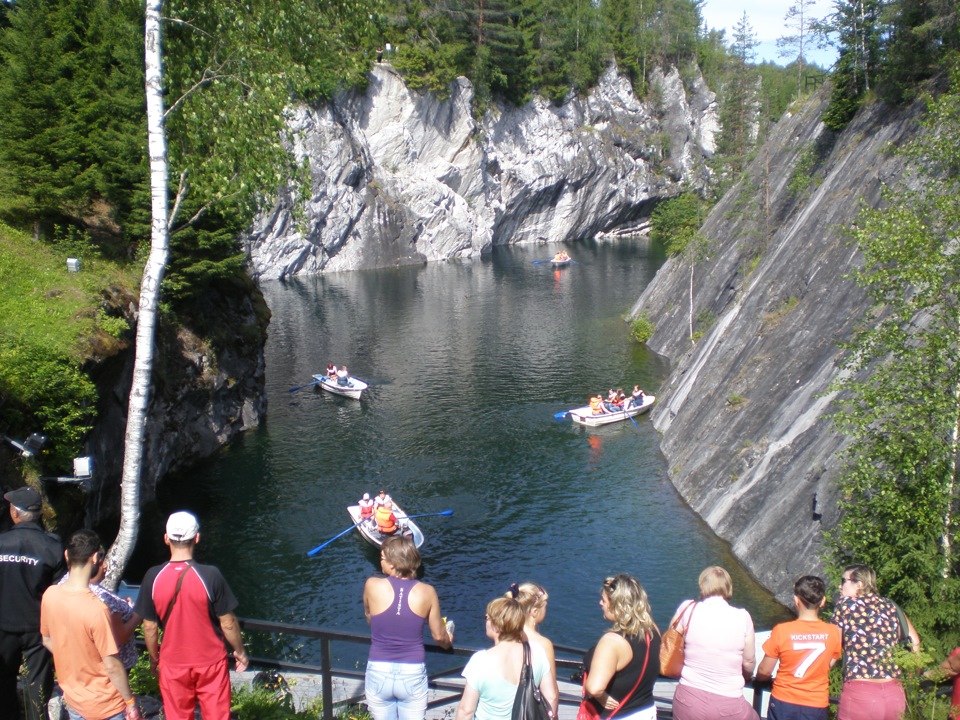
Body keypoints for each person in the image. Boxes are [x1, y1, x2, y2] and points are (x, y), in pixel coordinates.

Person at [134, 511, 249, 720]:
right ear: (197, 538)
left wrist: (154, 659)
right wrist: (239, 651)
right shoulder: (210, 575)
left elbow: (149, 627)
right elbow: (228, 623)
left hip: (172, 662)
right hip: (210, 661)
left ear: (166, 539)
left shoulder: (153, 576)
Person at [40, 529, 142, 720]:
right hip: (106, 704)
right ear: (95, 558)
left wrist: (73, 660)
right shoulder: (97, 609)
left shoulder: (50, 594)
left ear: (67, 555)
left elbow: (46, 639)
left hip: (73, 699)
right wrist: (130, 702)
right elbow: (112, 665)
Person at [363, 535, 453, 720]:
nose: (380, 562)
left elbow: (370, 617)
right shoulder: (427, 592)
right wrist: (448, 640)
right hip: (411, 671)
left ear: (393, 564)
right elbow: (438, 636)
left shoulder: (372, 585)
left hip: (379, 668)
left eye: (382, 558)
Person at [0, 486, 66, 720]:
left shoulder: (2, 542)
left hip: (3, 627)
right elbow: (59, 594)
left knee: (3, 683)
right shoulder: (53, 547)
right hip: (38, 629)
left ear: (14, 513)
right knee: (37, 687)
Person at [669, 566, 759, 720]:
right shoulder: (742, 617)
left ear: (702, 585)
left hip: (688, 697)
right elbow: (749, 661)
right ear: (727, 587)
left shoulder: (687, 609)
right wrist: (746, 676)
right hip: (728, 701)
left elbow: (671, 643)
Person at [831, 564, 919, 720]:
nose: (840, 586)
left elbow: (833, 649)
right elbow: (915, 642)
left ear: (859, 584)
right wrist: (914, 679)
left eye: (843, 581)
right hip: (894, 692)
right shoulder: (891, 606)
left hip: (861, 693)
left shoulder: (845, 606)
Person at [455, 596, 558, 720]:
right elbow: (551, 697)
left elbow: (466, 711)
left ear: (496, 625)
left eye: (487, 618)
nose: (485, 621)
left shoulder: (480, 661)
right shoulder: (537, 652)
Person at [755, 576, 842, 720]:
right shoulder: (833, 632)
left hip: (784, 700)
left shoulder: (782, 631)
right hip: (816, 702)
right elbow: (828, 664)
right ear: (823, 601)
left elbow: (765, 670)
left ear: (796, 600)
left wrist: (759, 679)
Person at [582, 574, 660, 720]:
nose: (600, 603)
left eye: (604, 600)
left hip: (618, 715)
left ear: (617, 605)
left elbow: (594, 687)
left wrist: (602, 697)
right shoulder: (652, 629)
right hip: (646, 711)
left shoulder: (612, 641)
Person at [56, 543, 141, 671]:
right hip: (109, 668)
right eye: (101, 561)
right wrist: (138, 612)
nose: (105, 565)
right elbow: (120, 637)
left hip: (77, 663)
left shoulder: (63, 585)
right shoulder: (103, 601)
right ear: (94, 560)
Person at [510, 582, 558, 706]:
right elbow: (551, 692)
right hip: (529, 708)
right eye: (545, 606)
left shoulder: (506, 635)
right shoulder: (543, 644)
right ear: (535, 612)